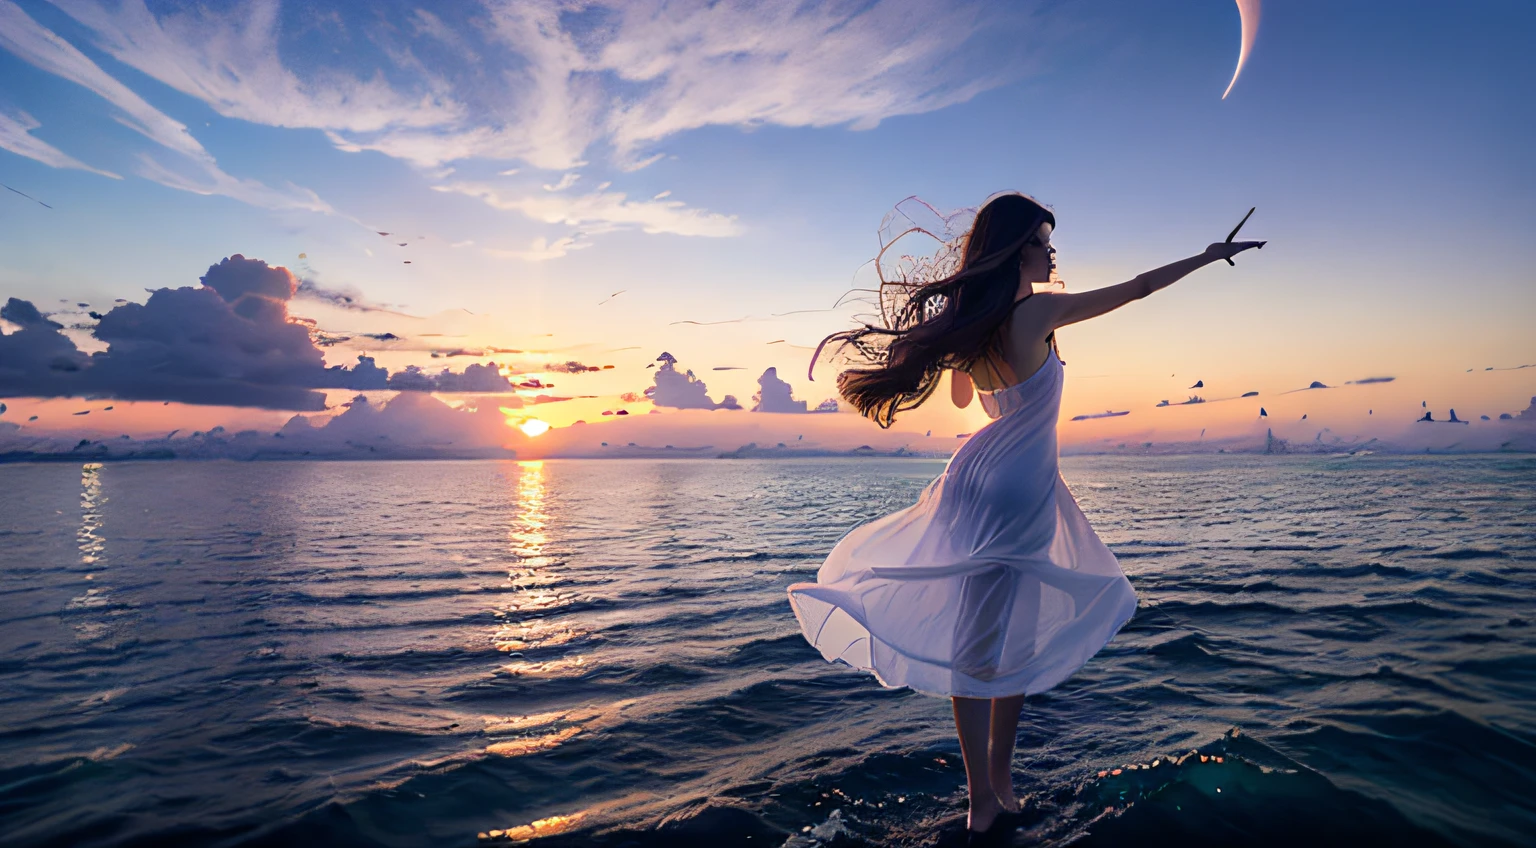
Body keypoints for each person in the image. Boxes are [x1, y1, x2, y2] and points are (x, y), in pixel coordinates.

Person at [786, 192, 1264, 843]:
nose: (1052, 251)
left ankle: (996, 791)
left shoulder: (980, 323)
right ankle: (987, 797)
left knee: (993, 642)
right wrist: (1210, 256)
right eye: (1043, 240)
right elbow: (1139, 287)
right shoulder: (1036, 310)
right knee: (989, 646)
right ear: (1017, 250)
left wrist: (964, 337)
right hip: (1019, 484)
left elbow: (964, 396)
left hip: (985, 473)